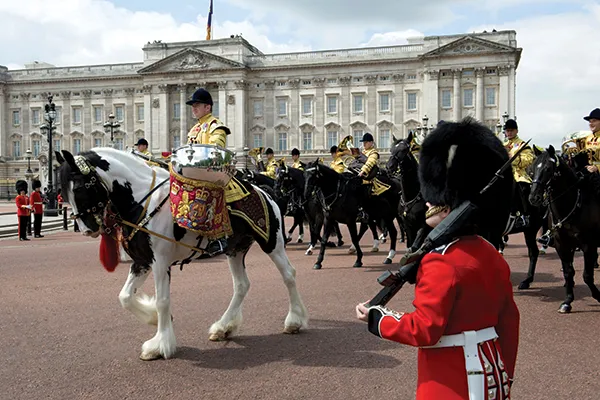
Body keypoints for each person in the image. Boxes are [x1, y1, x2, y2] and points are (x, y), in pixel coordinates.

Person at [356, 118, 520, 400]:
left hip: (448, 383)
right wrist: (505, 374)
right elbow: (509, 323)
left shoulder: (440, 261)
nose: (427, 201)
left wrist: (378, 318)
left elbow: (425, 329)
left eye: (434, 196)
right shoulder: (492, 254)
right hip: (493, 377)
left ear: (450, 201)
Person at [185, 88, 247, 256]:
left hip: (213, 171)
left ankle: (219, 238)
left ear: (208, 107)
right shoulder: (194, 130)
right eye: (193, 105)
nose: (194, 108)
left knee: (209, 195)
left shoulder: (216, 126)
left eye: (197, 105)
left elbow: (216, 150)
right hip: (194, 173)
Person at [503, 119, 534, 229]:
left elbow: (529, 159)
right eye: (507, 131)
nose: (509, 133)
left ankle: (523, 216)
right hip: (503, 174)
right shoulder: (503, 145)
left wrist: (512, 159)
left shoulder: (522, 144)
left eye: (511, 130)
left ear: (516, 131)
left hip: (518, 174)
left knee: (520, 188)